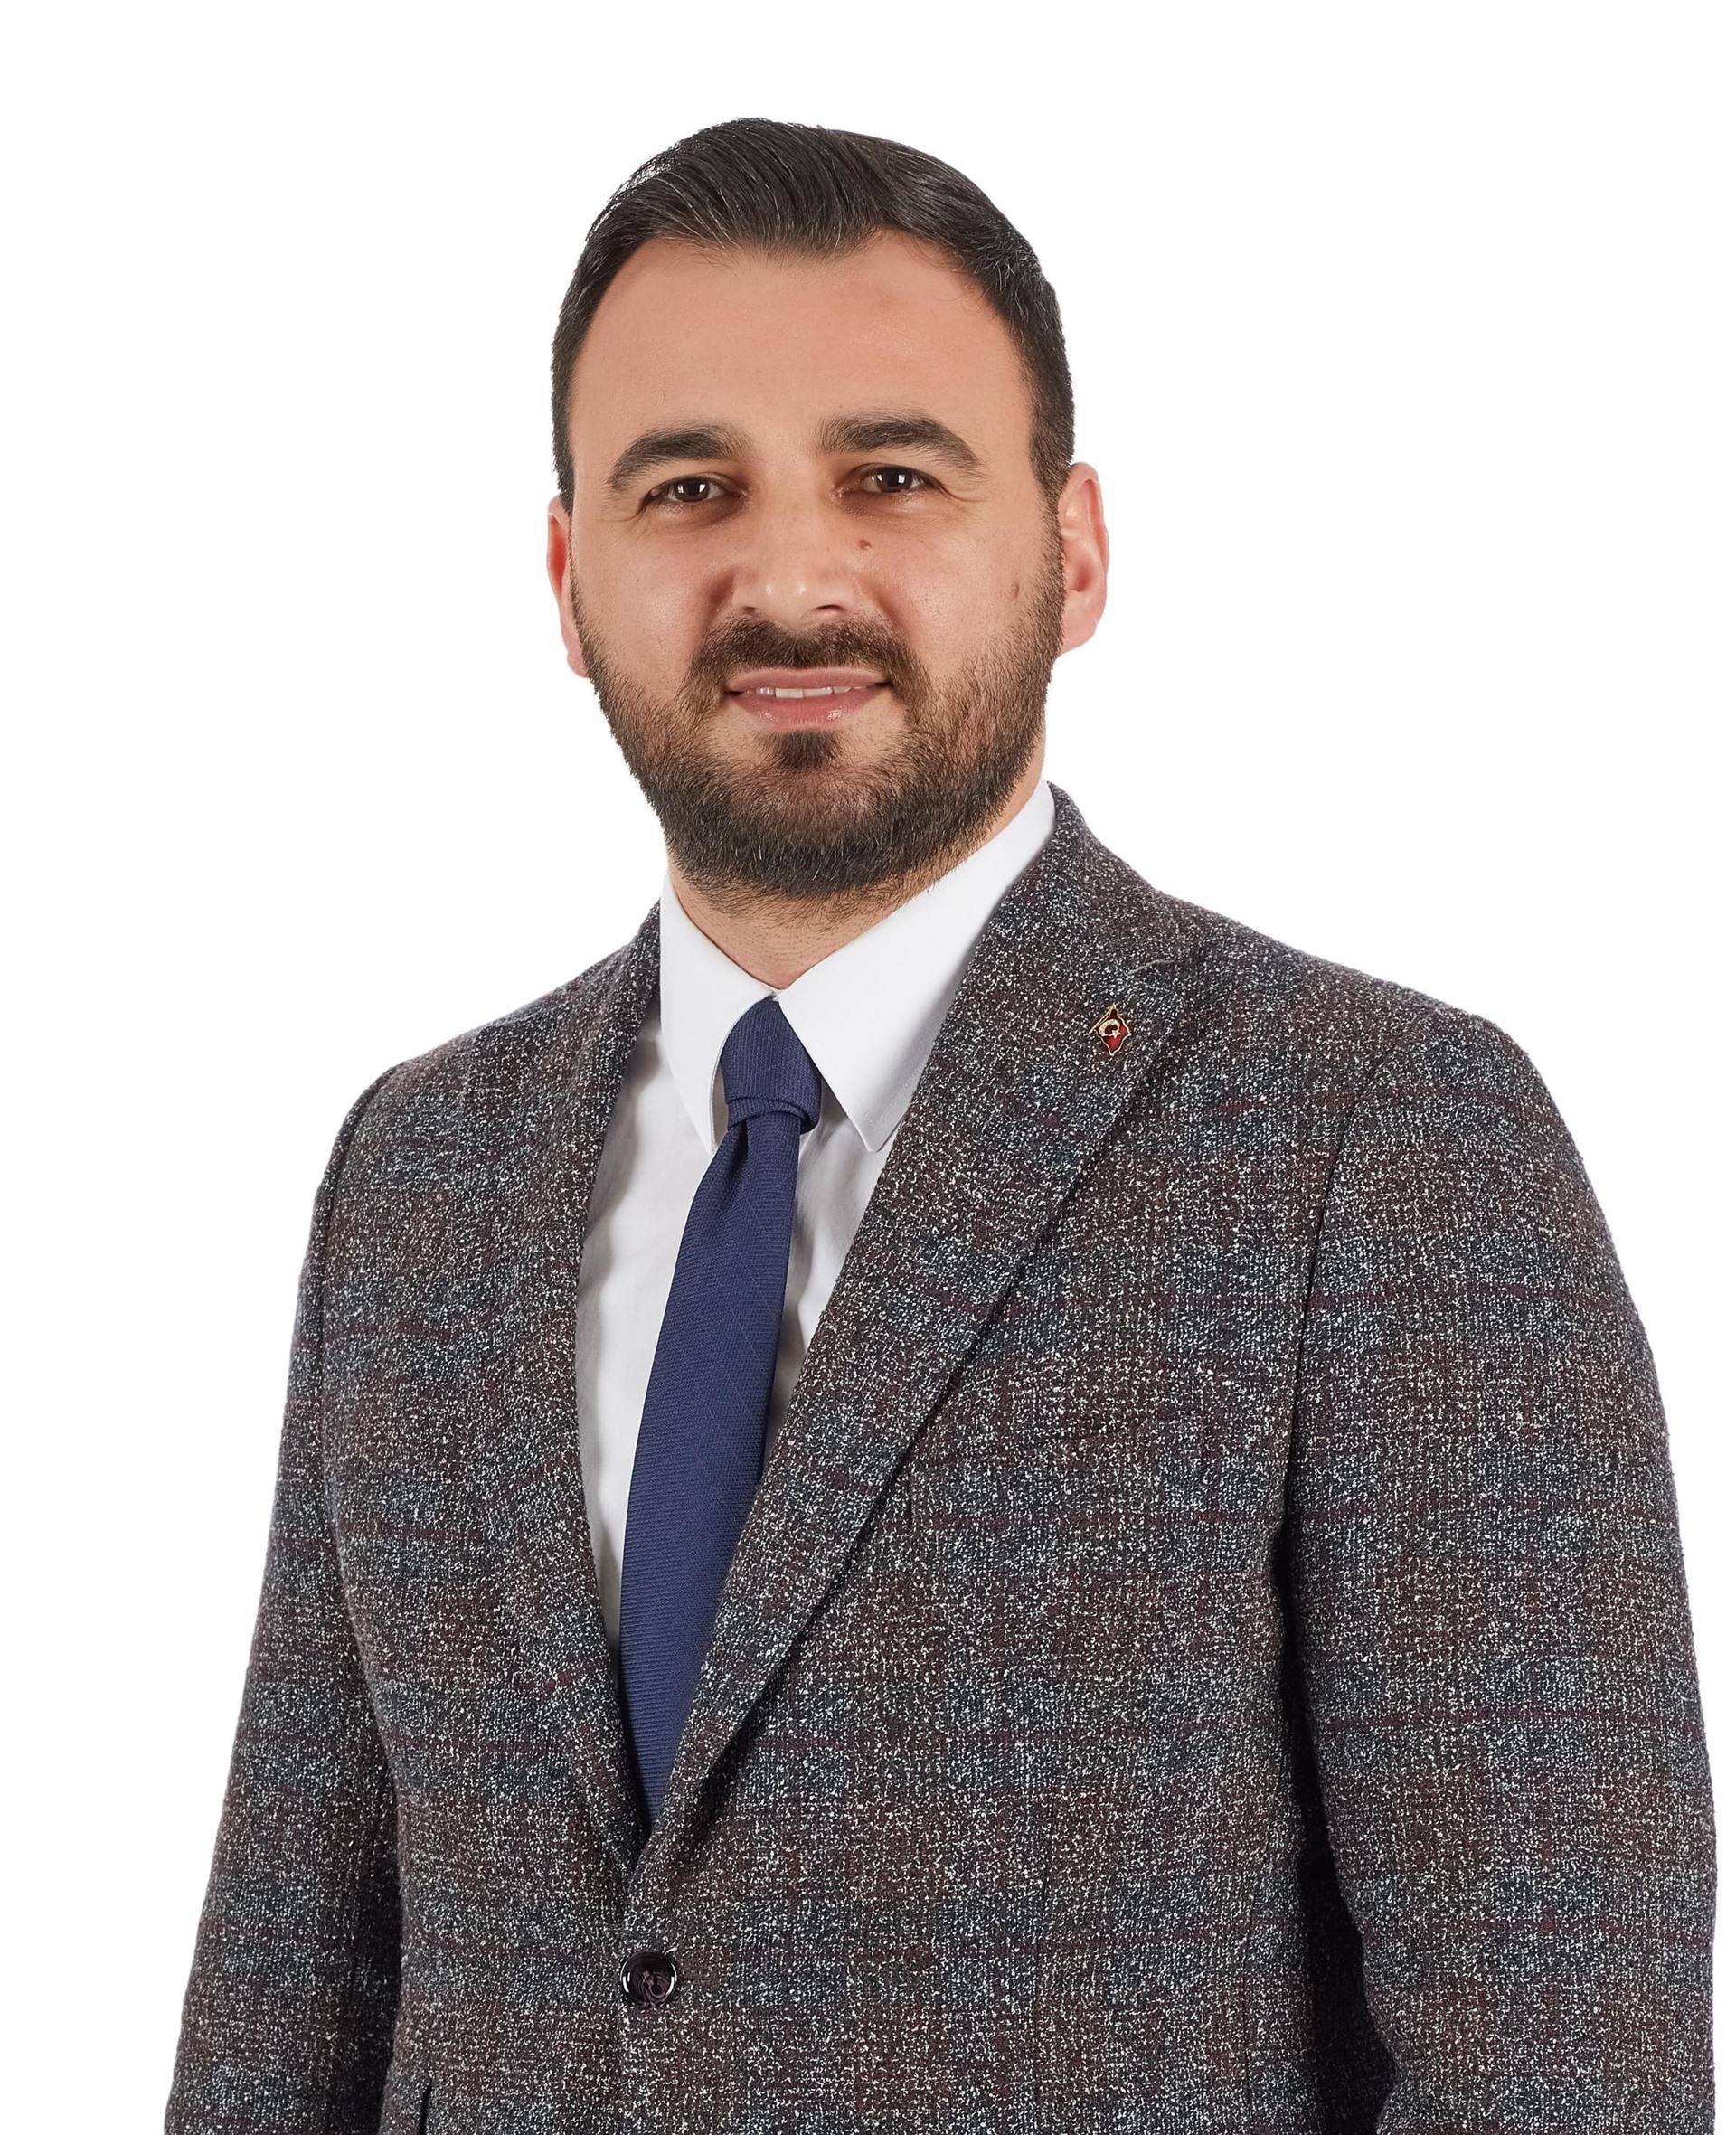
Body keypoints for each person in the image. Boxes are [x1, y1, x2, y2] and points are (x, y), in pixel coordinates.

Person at [165, 118, 1713, 2133]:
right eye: (689, 487)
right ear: (567, 577)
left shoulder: (1378, 1144)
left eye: (891, 476)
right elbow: (290, 1994)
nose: (792, 577)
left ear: (1075, 552)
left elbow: (1562, 2058)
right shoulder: (418, 1173)